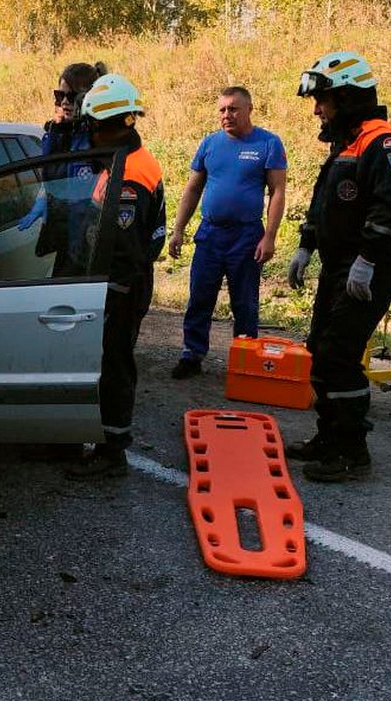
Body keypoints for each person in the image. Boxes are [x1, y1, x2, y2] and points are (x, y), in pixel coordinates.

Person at [285, 51, 391, 482]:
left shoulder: (384, 143)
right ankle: (329, 436)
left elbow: (390, 210)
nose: (316, 108)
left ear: (347, 97)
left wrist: (367, 261)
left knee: (338, 354)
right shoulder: (349, 142)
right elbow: (326, 203)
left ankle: (352, 450)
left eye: (323, 99)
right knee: (319, 349)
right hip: (341, 264)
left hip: (371, 268)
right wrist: (306, 245)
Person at [61, 74, 166, 479]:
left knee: (114, 365)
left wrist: (108, 298)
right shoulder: (124, 162)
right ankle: (103, 441)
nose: (90, 136)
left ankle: (112, 451)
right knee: (110, 362)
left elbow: (124, 250)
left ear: (120, 124)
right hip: (118, 282)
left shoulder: (131, 176)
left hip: (120, 286)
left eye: (96, 128)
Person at [167, 86, 288, 379]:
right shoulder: (210, 143)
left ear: (249, 109)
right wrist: (178, 229)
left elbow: (278, 192)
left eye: (233, 108)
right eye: (222, 109)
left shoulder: (268, 143)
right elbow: (193, 188)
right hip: (210, 234)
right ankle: (192, 354)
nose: (226, 115)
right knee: (200, 296)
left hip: (246, 236)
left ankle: (245, 358)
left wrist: (269, 237)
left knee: (244, 301)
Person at [19, 62, 106, 279]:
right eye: (59, 96)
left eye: (71, 96)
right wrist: (42, 199)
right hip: (63, 233)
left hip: (87, 237)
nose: (64, 102)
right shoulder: (56, 133)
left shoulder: (98, 139)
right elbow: (50, 176)